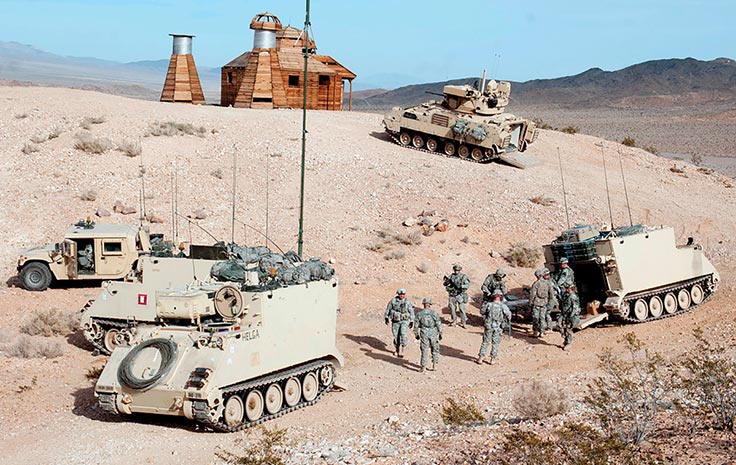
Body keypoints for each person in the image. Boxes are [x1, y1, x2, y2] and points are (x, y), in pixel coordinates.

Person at [477, 289, 511, 365]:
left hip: (489, 326)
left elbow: (482, 312)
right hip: (498, 327)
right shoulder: (503, 306)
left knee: (485, 342)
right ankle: (492, 359)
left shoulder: (489, 305)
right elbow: (509, 315)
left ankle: (480, 358)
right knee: (495, 343)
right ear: (500, 296)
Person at [414, 297, 443, 372]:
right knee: (435, 348)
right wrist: (440, 333)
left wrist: (416, 334)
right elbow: (438, 324)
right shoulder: (434, 313)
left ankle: (423, 367)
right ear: (430, 304)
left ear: (424, 304)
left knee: (424, 349)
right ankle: (434, 365)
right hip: (433, 332)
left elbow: (416, 325)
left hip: (424, 332)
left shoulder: (419, 314)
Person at [384, 288, 415, 358]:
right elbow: (388, 309)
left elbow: (411, 311)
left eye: (403, 294)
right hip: (395, 321)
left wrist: (412, 321)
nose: (402, 296)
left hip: (404, 321)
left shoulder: (407, 302)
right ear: (398, 294)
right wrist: (386, 317)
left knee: (403, 334)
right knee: (396, 336)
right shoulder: (393, 301)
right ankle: (396, 349)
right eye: (400, 294)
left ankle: (403, 350)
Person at [529, 268, 556, 337]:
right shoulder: (548, 283)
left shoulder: (536, 284)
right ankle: (542, 332)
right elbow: (551, 294)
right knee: (542, 318)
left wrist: (530, 303)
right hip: (544, 303)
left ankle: (535, 332)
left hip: (536, 303)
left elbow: (532, 295)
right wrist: (549, 301)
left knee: (535, 318)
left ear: (538, 276)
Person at [558, 281, 581, 350]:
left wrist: (572, 316)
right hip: (564, 313)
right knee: (560, 325)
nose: (566, 289)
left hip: (570, 315)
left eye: (568, 288)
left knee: (568, 329)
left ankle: (568, 342)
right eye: (566, 288)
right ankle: (565, 339)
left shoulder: (573, 296)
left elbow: (576, 307)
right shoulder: (566, 294)